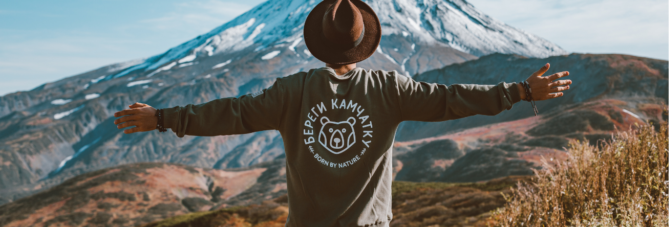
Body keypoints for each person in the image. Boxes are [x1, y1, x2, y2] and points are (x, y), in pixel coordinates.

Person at [112, 0, 571, 226]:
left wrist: (162, 118)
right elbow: (452, 99)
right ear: (363, 42)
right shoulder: (389, 88)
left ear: (317, 43)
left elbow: (231, 114)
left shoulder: (291, 91)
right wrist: (518, 90)